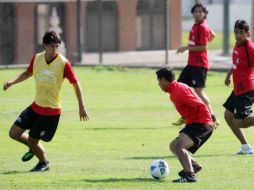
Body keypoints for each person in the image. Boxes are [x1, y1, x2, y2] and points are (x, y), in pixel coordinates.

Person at [3, 31, 89, 172]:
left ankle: (44, 162)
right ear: (44, 45)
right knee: (14, 133)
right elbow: (27, 73)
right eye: (52, 46)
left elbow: (75, 83)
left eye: (57, 46)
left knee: (32, 140)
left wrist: (81, 106)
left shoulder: (63, 63)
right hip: (36, 106)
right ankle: (34, 147)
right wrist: (12, 82)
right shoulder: (37, 58)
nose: (55, 49)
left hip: (51, 111)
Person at [156, 67, 215, 183]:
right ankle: (194, 166)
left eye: (159, 81)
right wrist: (185, 118)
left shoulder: (179, 92)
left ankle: (190, 175)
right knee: (173, 146)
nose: (158, 84)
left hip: (201, 124)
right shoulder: (176, 89)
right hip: (195, 123)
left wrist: (209, 120)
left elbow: (200, 105)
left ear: (163, 79)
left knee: (179, 147)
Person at [174, 3, 218, 126]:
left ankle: (212, 117)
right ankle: (186, 116)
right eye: (196, 11)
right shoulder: (196, 25)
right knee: (180, 87)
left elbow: (203, 47)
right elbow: (213, 34)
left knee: (199, 92)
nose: (198, 13)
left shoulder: (202, 27)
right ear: (192, 13)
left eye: (200, 11)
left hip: (199, 65)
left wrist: (186, 48)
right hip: (191, 64)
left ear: (204, 14)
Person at [224, 19, 254, 155]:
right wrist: (229, 74)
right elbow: (236, 63)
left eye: (241, 32)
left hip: (247, 89)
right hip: (237, 89)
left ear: (248, 34)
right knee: (228, 116)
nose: (238, 35)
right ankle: (246, 147)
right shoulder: (237, 45)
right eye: (236, 32)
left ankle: (246, 147)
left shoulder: (250, 48)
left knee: (239, 122)